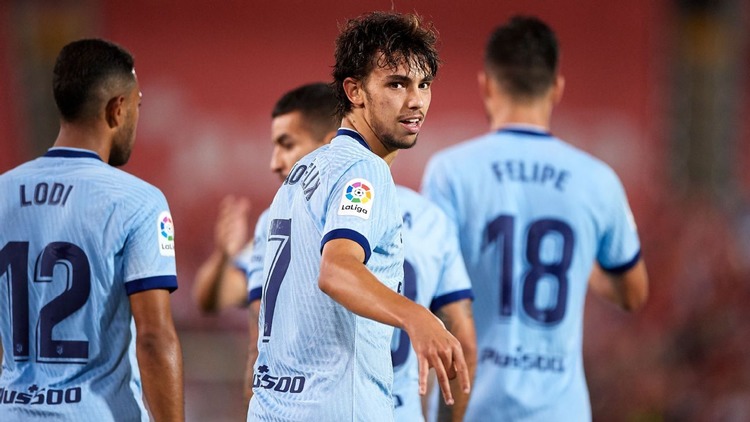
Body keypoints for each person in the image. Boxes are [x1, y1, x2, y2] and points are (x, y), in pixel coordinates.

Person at [421, 15, 649, 421]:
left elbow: (432, 286)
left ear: (487, 86)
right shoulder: (597, 179)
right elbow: (633, 294)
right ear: (556, 88)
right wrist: (583, 264)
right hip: (561, 410)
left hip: (476, 405)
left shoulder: (449, 171)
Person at [248, 11, 470, 421]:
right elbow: (337, 270)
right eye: (396, 84)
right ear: (355, 91)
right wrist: (417, 317)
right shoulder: (366, 170)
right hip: (339, 406)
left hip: (274, 407)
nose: (416, 101)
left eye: (423, 84)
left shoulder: (302, 172)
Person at [0, 39, 184, 421]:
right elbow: (153, 338)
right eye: (137, 106)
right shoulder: (138, 201)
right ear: (117, 109)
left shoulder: (3, 192)